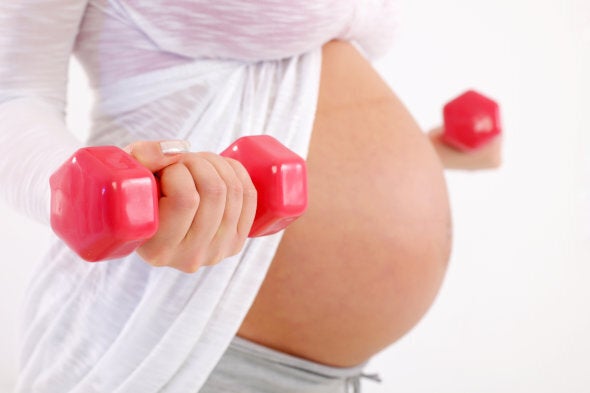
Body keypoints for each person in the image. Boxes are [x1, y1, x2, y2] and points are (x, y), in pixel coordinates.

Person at [0, 1, 501, 392]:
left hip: (332, 375)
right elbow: (14, 96)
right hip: (173, 340)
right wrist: (92, 198)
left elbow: (299, 108)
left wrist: (419, 157)